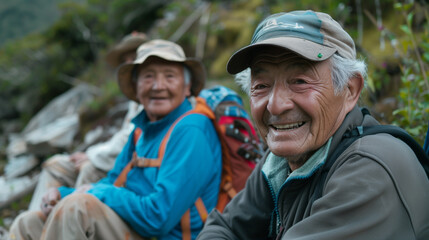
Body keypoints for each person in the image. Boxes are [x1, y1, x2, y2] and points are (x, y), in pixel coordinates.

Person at [197, 10, 429, 240]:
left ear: (350, 90)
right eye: (262, 85)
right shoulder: (281, 161)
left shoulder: (370, 172)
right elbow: (224, 228)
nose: (275, 106)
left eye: (300, 81)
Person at [9, 39, 222, 240]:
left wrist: (96, 193)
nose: (158, 86)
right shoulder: (141, 130)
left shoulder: (191, 130)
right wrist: (63, 193)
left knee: (78, 208)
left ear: (187, 87)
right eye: (148, 76)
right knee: (27, 223)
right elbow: (113, 181)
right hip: (139, 229)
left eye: (170, 76)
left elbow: (159, 217)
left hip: (164, 234)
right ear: (136, 88)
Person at [27, 31, 148, 211]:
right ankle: (39, 218)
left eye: (135, 57)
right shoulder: (134, 100)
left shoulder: (154, 98)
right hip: (114, 159)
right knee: (56, 165)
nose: (131, 63)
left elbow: (130, 139)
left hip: (130, 168)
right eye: (127, 60)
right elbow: (126, 136)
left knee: (89, 169)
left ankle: (74, 219)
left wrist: (92, 155)